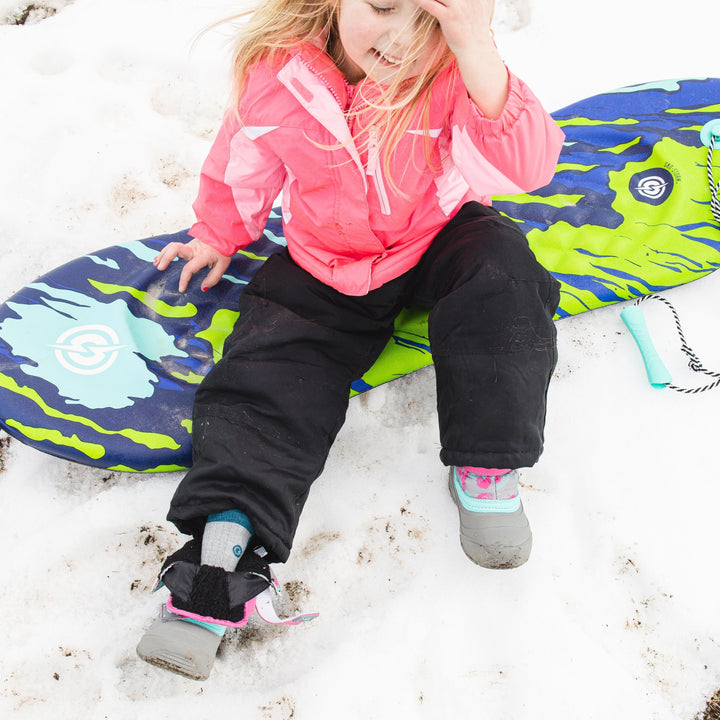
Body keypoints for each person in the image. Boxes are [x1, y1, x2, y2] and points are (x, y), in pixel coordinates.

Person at [136, 0, 564, 680]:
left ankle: (485, 465)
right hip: (326, 263)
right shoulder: (280, 74)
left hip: (439, 236)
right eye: (385, 6)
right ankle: (221, 557)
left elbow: (529, 168)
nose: (398, 41)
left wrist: (472, 43)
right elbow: (241, 158)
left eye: (426, 25)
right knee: (268, 371)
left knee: (508, 279)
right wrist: (219, 231)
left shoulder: (453, 70)